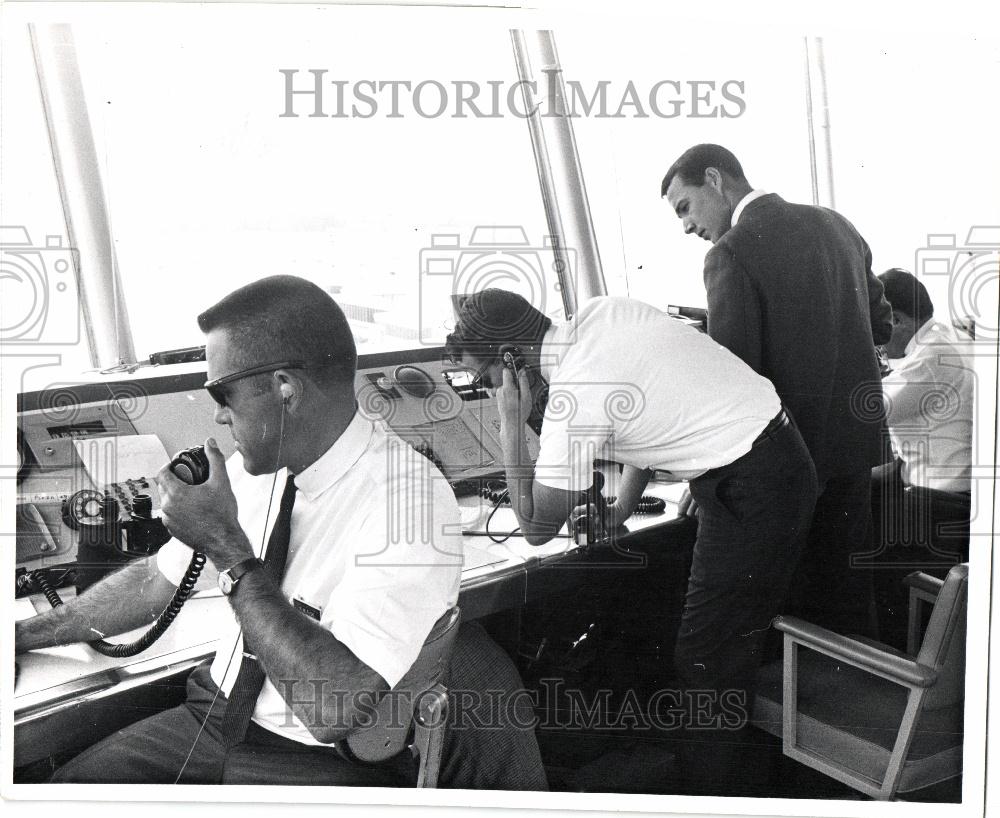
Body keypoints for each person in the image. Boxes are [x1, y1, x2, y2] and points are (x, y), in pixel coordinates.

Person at [15, 275, 546, 789]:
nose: (219, 420)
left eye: (224, 396)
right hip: (216, 713)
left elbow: (334, 708)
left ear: (285, 388)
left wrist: (227, 548)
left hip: (308, 754)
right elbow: (158, 579)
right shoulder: (259, 472)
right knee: (67, 788)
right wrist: (22, 636)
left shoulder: (407, 499)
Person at [445, 288, 817, 795]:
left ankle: (709, 798)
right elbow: (648, 403)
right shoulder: (601, 315)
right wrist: (621, 507)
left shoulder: (575, 392)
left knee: (707, 658)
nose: (491, 390)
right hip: (770, 460)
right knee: (686, 637)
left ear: (511, 360)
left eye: (489, 379)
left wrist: (510, 420)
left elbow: (534, 528)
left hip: (751, 484)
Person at [661, 143, 894, 638]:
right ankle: (867, 702)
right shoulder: (837, 225)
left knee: (788, 609)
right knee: (847, 594)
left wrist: (702, 480)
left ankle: (790, 710)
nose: (686, 226)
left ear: (715, 179)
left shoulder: (731, 252)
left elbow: (734, 385)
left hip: (787, 467)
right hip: (854, 450)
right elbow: (881, 322)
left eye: (685, 207)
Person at [870, 269, 973, 644]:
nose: (877, 340)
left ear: (897, 319)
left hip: (936, 500)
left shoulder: (929, 357)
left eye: (879, 328)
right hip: (951, 489)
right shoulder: (946, 338)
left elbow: (869, 412)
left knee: (849, 534)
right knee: (865, 487)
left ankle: (886, 649)